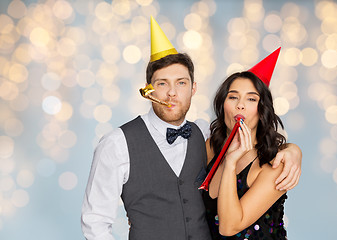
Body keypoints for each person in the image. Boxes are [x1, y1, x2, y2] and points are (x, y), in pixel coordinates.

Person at [81, 17, 301, 240]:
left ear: (193, 88)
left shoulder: (202, 134)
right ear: (149, 90)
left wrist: (293, 150)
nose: (172, 93)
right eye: (162, 83)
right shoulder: (117, 143)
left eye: (181, 83)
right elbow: (95, 222)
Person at [203, 48, 296, 239]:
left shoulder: (274, 165)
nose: (241, 105)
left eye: (251, 99)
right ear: (223, 104)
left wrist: (230, 163)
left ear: (262, 111)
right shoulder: (211, 147)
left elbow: (228, 227)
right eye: (233, 97)